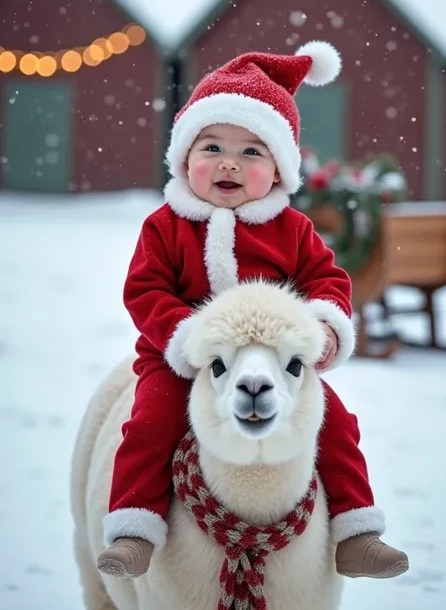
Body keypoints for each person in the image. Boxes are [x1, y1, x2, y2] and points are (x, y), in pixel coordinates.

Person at [97, 41, 409, 581]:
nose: (228, 163)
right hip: (180, 362)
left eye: (251, 152)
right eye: (212, 146)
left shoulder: (291, 229)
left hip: (274, 363)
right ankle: (134, 528)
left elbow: (325, 279)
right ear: (184, 157)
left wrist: (325, 327)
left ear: (280, 169)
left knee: (334, 423)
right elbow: (144, 289)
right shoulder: (166, 226)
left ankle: (356, 530)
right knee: (150, 420)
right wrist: (184, 336)